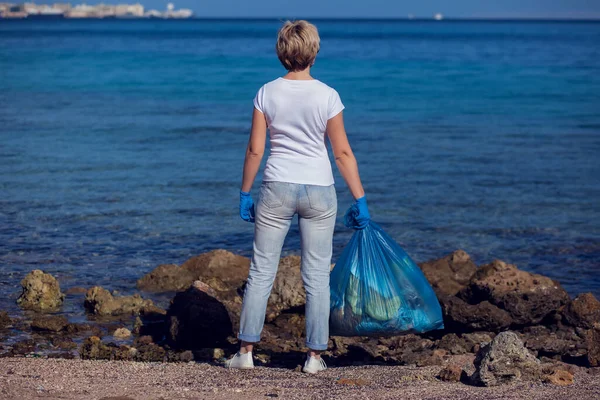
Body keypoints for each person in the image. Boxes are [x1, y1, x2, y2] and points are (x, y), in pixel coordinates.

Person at [226, 20, 370, 374]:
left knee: (261, 271)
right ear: (313, 52)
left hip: (276, 186)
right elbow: (343, 154)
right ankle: (314, 357)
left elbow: (255, 150)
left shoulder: (266, 93)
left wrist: (245, 192)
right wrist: (360, 198)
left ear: (282, 52)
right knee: (317, 276)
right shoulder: (328, 95)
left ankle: (245, 353)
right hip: (319, 191)